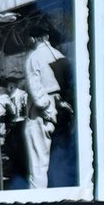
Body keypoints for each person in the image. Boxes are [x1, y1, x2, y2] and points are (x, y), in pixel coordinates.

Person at [23, 23, 68, 191]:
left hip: (42, 112)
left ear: (32, 39)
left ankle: (38, 200)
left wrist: (47, 110)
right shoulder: (59, 54)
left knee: (38, 164)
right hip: (61, 108)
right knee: (58, 160)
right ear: (47, 37)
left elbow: (36, 91)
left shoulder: (33, 57)